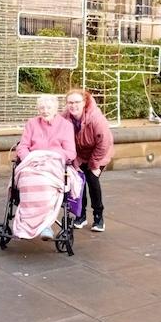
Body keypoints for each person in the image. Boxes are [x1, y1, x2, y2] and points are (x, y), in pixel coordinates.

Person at [14, 95, 77, 240]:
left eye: (49, 107)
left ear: (56, 109)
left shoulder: (65, 125)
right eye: (42, 107)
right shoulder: (31, 123)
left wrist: (52, 156)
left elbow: (71, 152)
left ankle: (45, 225)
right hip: (32, 163)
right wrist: (30, 158)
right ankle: (25, 225)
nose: (45, 110)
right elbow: (23, 147)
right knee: (28, 182)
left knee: (45, 185)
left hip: (54, 165)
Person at [62, 88, 113, 232]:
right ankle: (81, 215)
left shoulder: (96, 118)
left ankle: (98, 217)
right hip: (79, 154)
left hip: (98, 153)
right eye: (70, 102)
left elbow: (104, 143)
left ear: (84, 102)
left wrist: (95, 164)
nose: (73, 105)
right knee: (78, 182)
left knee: (92, 179)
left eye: (77, 102)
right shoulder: (65, 118)